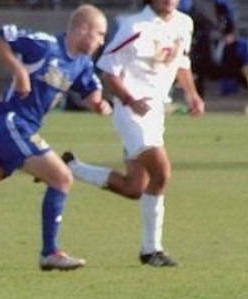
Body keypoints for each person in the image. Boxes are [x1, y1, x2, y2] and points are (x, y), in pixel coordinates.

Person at [0, 5, 112, 272]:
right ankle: (50, 252)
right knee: (62, 177)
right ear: (83, 28)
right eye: (100, 34)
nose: (102, 40)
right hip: (13, 124)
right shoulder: (45, 45)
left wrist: (99, 104)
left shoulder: (81, 63)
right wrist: (19, 70)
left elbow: (92, 91)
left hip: (17, 131)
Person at [65, 0, 204, 268]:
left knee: (134, 188)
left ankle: (73, 168)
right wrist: (130, 100)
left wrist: (192, 94)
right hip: (132, 114)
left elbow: (182, 62)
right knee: (161, 172)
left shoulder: (184, 23)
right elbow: (107, 70)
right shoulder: (133, 26)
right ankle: (151, 250)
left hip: (156, 113)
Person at [176, 0, 236, 98]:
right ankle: (197, 96)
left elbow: (228, 11)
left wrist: (230, 31)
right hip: (194, 34)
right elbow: (182, 10)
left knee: (213, 64)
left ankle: (230, 83)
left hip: (212, 34)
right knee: (195, 67)